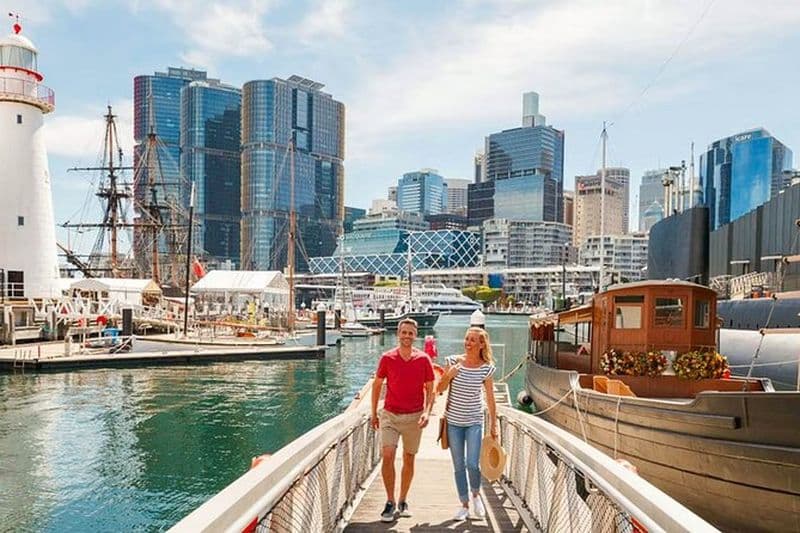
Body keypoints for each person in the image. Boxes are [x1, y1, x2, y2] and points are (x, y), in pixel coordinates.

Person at [371, 318, 435, 523]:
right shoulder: (387, 358)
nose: (407, 336)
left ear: (415, 335)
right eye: (404, 332)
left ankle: (403, 500)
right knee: (388, 455)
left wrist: (427, 412)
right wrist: (374, 413)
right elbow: (377, 385)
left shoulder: (424, 359)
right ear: (398, 334)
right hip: (389, 415)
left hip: (414, 417)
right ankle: (389, 501)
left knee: (409, 458)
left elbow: (430, 389)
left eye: (410, 333)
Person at [437, 326, 498, 521]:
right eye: (466, 339)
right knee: (458, 465)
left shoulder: (487, 368)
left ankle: (476, 494)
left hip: (474, 421)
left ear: (481, 344)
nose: (468, 343)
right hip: (453, 422)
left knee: (472, 463)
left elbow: (490, 399)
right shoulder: (453, 362)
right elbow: (439, 389)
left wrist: (493, 425)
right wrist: (448, 375)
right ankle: (464, 505)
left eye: (473, 340)